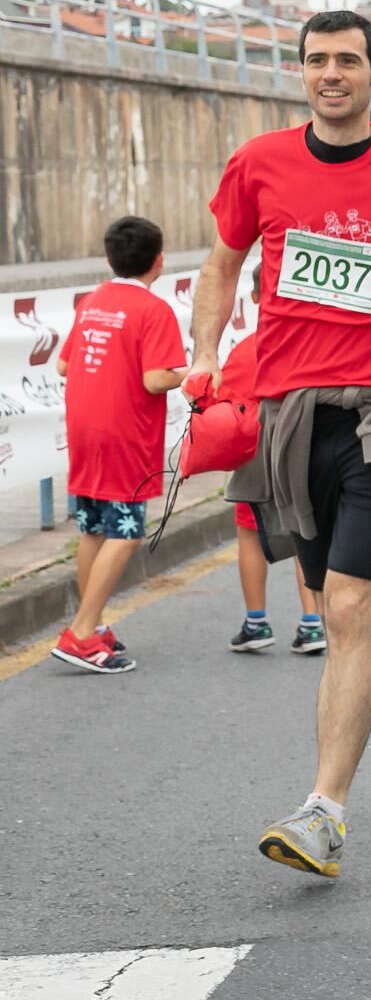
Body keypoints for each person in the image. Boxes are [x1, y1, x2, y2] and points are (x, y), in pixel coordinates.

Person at [186, 9, 371, 880]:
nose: (331, 74)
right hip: (290, 416)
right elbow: (221, 265)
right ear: (302, 72)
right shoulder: (259, 164)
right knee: (335, 600)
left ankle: (322, 811)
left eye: (348, 61)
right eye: (317, 61)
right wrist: (207, 352)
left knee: (350, 607)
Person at [49, 215, 187, 674]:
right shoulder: (154, 310)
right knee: (125, 532)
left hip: (84, 429)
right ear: (159, 260)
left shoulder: (93, 300)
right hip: (124, 432)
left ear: (110, 256)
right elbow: (154, 380)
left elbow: (64, 366)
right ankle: (83, 634)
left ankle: (93, 624)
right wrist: (191, 373)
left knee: (92, 527)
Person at [219, 328, 325, 655]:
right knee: (303, 529)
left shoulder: (244, 350)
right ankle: (312, 624)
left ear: (253, 299)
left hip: (254, 448)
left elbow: (224, 397)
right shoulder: (308, 342)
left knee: (249, 533)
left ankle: (256, 623)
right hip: (300, 444)